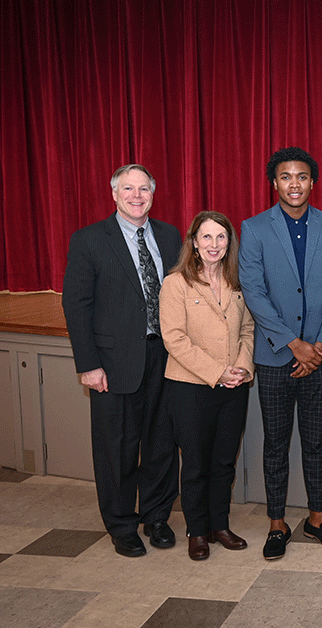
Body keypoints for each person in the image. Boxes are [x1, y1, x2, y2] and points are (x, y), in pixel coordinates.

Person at [62, 164, 181, 557]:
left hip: (165, 356)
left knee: (162, 443)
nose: (136, 195)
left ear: (152, 194)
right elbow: (76, 306)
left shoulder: (168, 235)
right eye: (128, 189)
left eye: (143, 189)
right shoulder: (89, 240)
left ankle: (157, 517)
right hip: (113, 363)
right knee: (117, 448)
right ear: (113, 194)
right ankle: (121, 525)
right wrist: (88, 364)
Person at [239, 147, 322, 560]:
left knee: (315, 441)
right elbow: (254, 291)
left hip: (321, 357)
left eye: (301, 176)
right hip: (274, 358)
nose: (294, 184)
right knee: (275, 443)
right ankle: (276, 522)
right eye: (285, 177)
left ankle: (317, 518)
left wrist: (319, 344)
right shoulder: (253, 229)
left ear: (312, 182)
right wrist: (293, 343)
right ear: (274, 183)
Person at [159, 211, 255, 560]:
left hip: (234, 388)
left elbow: (248, 330)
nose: (214, 245)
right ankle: (197, 531)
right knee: (197, 463)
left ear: (229, 243)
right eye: (207, 237)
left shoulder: (238, 282)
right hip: (191, 387)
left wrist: (242, 368)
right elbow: (174, 339)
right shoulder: (176, 284)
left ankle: (220, 525)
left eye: (221, 237)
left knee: (224, 462)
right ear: (194, 243)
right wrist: (218, 372)